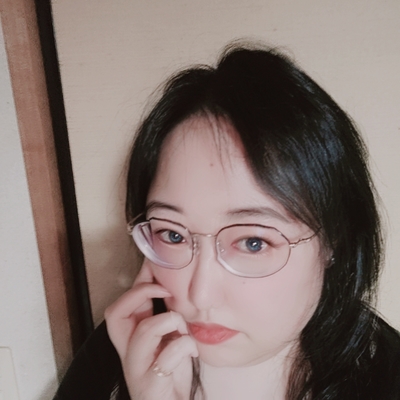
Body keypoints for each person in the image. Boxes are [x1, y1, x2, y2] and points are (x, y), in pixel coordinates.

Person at [54, 42, 400, 399]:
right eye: (172, 235)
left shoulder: (386, 378)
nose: (199, 296)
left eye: (253, 242)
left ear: (333, 239)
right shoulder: (119, 349)